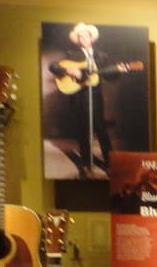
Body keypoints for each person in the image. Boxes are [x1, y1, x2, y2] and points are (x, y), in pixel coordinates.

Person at [48, 22, 130, 177]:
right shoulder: (72, 55)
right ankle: (86, 164)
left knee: (101, 129)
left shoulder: (102, 57)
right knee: (83, 129)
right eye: (80, 36)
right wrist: (70, 71)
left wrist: (118, 70)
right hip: (80, 97)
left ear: (91, 38)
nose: (83, 38)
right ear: (78, 40)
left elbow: (109, 76)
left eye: (86, 35)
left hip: (95, 97)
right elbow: (53, 66)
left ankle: (110, 164)